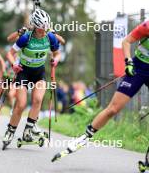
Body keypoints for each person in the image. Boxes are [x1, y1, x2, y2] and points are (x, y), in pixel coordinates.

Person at [53, 20, 149, 160]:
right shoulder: (147, 26)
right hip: (138, 68)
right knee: (113, 109)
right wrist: (128, 62)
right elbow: (126, 41)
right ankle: (85, 137)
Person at [2, 8, 61, 149]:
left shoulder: (50, 37)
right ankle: (10, 130)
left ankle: (28, 131)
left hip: (39, 73)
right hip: (23, 72)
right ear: (34, 25)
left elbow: (57, 54)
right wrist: (14, 64)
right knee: (21, 104)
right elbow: (9, 53)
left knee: (38, 100)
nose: (43, 30)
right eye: (40, 27)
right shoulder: (26, 37)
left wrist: (56, 60)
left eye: (45, 27)